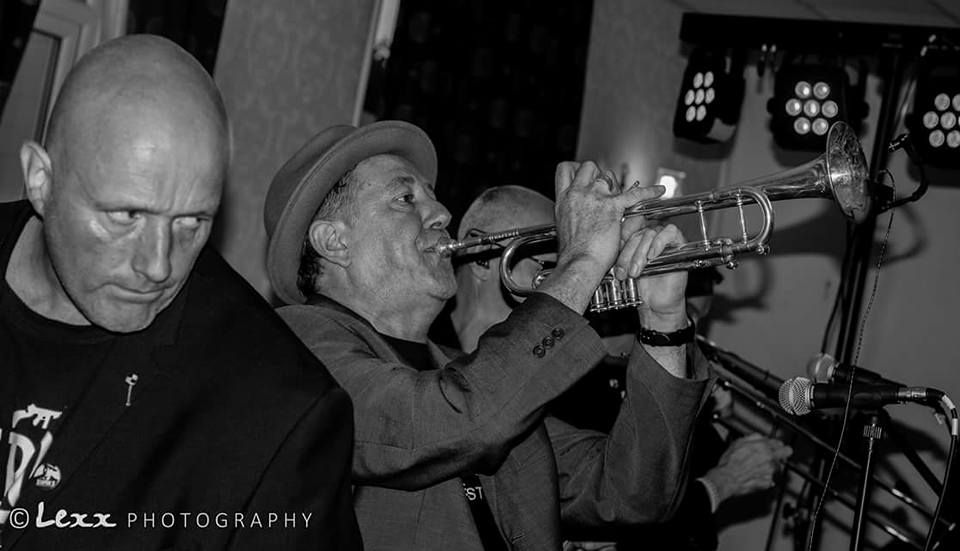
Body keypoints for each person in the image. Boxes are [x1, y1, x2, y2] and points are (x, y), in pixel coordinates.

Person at [264, 120, 712, 550]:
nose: (442, 213)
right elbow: (455, 421)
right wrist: (580, 263)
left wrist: (664, 322)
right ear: (334, 242)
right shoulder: (296, 348)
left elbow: (634, 495)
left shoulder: (464, 372)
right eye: (405, 198)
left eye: (432, 196)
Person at [0, 35, 360, 549]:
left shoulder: (276, 410)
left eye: (192, 222)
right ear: (40, 179)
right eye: (126, 215)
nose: (158, 265)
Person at [452, 186, 792, 551]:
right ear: (482, 259)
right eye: (552, 266)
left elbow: (630, 493)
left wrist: (666, 324)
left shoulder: (562, 375)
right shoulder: (429, 375)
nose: (574, 282)